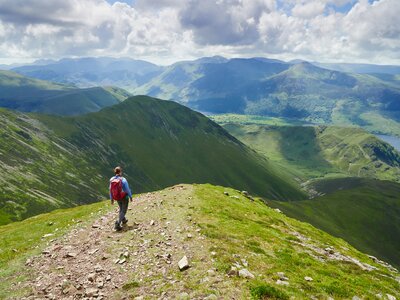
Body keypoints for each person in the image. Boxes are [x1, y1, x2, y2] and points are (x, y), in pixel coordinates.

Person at [109, 166, 132, 231]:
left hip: (117, 197)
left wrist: (111, 199)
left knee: (121, 208)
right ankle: (117, 223)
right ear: (120, 172)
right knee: (124, 210)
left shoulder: (112, 180)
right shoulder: (123, 179)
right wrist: (130, 196)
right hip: (124, 197)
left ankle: (123, 220)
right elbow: (127, 189)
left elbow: (110, 189)